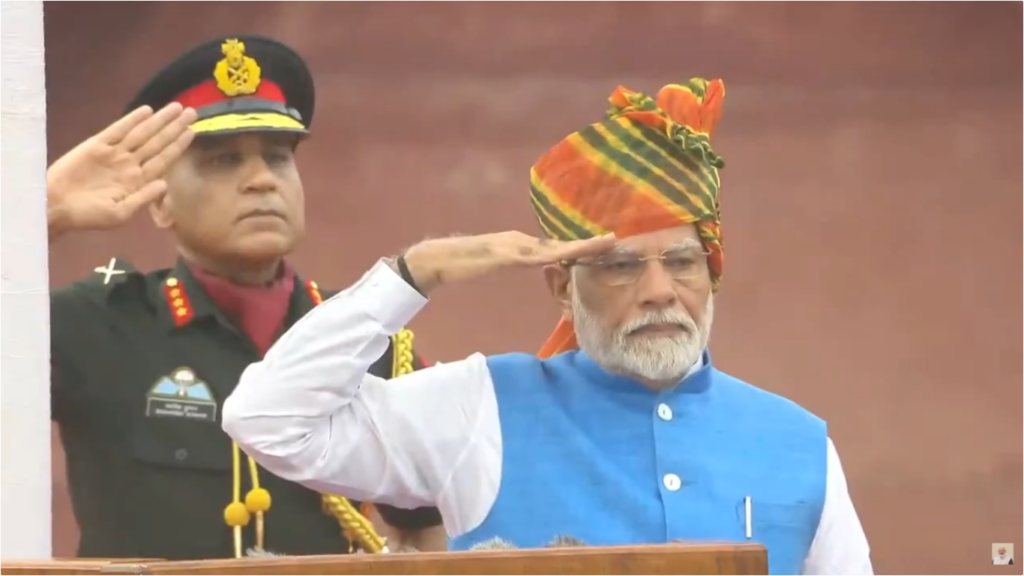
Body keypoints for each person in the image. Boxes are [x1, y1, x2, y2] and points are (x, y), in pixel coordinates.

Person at [221, 78, 874, 575]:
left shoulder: (799, 443)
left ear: (712, 275)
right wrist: (414, 272)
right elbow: (269, 419)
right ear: (564, 286)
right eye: (620, 267)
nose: (658, 292)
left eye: (682, 263)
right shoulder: (480, 410)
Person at [47, 35, 444, 560]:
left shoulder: (371, 341)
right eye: (223, 161)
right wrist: (39, 213)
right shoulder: (95, 326)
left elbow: (426, 527)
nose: (260, 180)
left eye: (277, 158)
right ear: (160, 203)